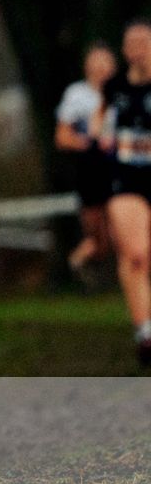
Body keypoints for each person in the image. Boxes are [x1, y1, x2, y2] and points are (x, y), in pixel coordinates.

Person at [96, 22, 151, 363]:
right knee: (135, 253)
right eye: (130, 43)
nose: (137, 48)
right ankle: (145, 332)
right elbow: (100, 120)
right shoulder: (114, 87)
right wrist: (101, 133)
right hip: (126, 178)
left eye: (144, 41)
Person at [55, 43, 117, 275]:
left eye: (105, 61)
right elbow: (61, 137)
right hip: (91, 167)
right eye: (96, 61)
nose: (101, 67)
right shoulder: (77, 95)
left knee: (123, 229)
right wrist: (89, 143)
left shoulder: (125, 91)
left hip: (121, 167)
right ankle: (82, 259)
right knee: (98, 239)